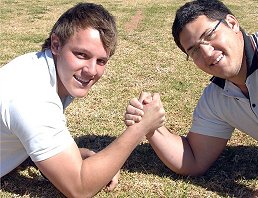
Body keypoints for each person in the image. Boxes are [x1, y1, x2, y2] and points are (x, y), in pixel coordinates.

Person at [124, 0, 258, 197]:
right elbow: (193, 160)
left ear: (232, 23)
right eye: (194, 50)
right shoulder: (217, 96)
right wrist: (151, 127)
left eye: (209, 35)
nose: (207, 53)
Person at [0, 2, 165, 197]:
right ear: (56, 44)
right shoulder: (33, 96)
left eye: (101, 61)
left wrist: (75, 155)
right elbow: (79, 188)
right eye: (81, 54)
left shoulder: (40, 66)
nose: (91, 70)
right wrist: (140, 128)